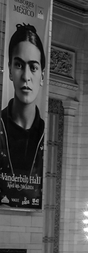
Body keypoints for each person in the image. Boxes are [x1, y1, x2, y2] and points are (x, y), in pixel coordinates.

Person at [0, 24, 46, 206]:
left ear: (42, 76)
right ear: (10, 70)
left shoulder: (43, 132)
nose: (26, 76)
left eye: (33, 67)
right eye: (19, 65)